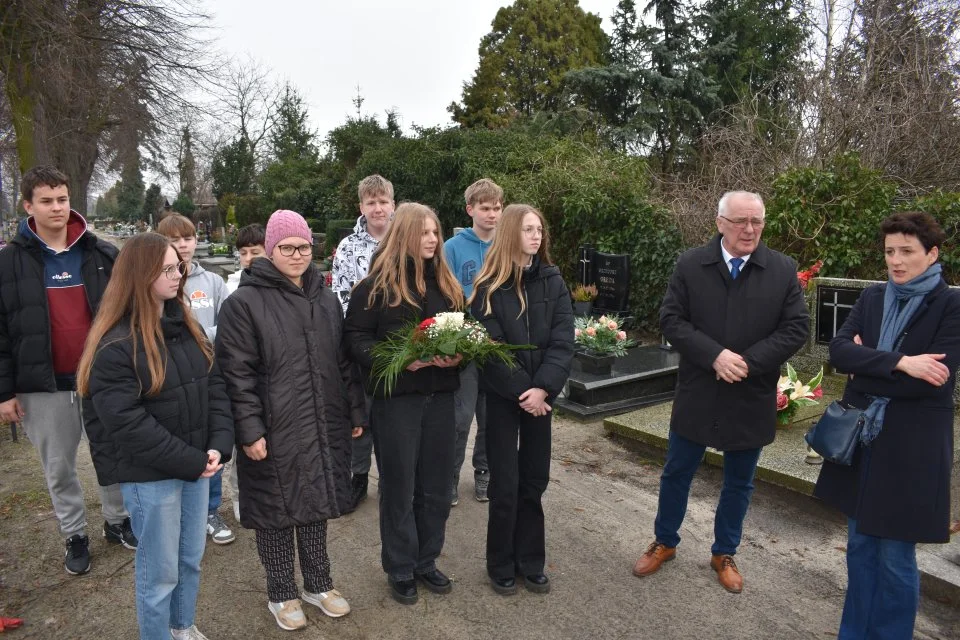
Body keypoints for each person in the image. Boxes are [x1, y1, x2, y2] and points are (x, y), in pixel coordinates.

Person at [632, 191, 808, 593]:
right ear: (719, 223)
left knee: (740, 482)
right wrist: (715, 356)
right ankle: (665, 541)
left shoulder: (782, 270)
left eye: (757, 222)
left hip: (750, 392)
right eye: (741, 221)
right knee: (677, 472)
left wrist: (748, 361)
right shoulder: (692, 264)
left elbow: (796, 327)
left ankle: (724, 552)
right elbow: (671, 319)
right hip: (700, 390)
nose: (749, 230)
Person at [76, 232, 233, 640]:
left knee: (189, 560)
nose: (178, 274)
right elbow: (128, 425)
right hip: (153, 479)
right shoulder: (116, 346)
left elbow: (214, 387)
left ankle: (182, 627)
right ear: (139, 275)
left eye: (178, 266)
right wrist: (193, 461)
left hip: (197, 467)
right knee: (159, 573)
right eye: (167, 268)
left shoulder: (187, 326)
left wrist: (218, 444)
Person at [216, 210, 365, 631]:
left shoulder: (325, 296)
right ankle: (281, 592)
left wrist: (354, 410)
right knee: (277, 510)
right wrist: (249, 431)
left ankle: (319, 584)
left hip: (321, 419)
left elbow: (342, 361)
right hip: (273, 425)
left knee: (315, 504)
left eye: (303, 246)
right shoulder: (244, 303)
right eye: (287, 247)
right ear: (270, 249)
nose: (297, 255)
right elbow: (236, 374)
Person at [814, 211, 960, 639]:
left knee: (896, 556)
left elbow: (935, 383)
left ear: (932, 254)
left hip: (911, 450)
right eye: (889, 252)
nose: (896, 261)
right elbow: (839, 352)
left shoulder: (951, 304)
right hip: (865, 442)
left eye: (907, 252)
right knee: (859, 547)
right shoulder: (874, 297)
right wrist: (901, 363)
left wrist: (867, 370)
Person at [0, 165, 134, 576]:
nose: (57, 208)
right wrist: (4, 392)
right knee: (58, 466)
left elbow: (126, 315)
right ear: (29, 206)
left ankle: (117, 521)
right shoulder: (9, 263)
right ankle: (75, 534)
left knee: (111, 453)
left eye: (62, 199)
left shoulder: (100, 253)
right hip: (43, 386)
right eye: (46, 201)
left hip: (101, 379)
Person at [343, 202, 463, 605]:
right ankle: (399, 566)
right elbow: (355, 340)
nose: (431, 239)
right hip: (397, 402)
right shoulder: (374, 288)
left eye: (435, 232)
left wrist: (460, 354)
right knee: (399, 486)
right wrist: (401, 360)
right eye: (424, 232)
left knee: (435, 487)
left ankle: (426, 560)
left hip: (441, 397)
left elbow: (463, 333)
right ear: (404, 235)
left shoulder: (446, 286)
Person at [470, 204, 574, 595]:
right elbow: (489, 346)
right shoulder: (487, 289)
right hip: (503, 399)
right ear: (512, 233)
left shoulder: (553, 281)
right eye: (529, 229)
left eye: (539, 230)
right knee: (505, 482)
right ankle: (500, 563)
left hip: (541, 399)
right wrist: (522, 390)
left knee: (533, 480)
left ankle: (531, 561)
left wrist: (543, 388)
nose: (537, 236)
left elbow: (564, 340)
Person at [156, 214, 234, 546]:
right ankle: (179, 512)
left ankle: (209, 510)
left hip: (206, 372)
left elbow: (228, 323)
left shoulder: (213, 282)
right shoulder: (160, 282)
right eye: (174, 240)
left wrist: (199, 337)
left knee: (209, 442)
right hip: (171, 378)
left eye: (187, 238)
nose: (182, 245)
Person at [333, 174, 395, 510]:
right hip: (359, 343)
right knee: (361, 413)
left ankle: (392, 478)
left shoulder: (405, 240)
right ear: (361, 207)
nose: (377, 208)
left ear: (392, 204)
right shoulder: (348, 247)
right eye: (371, 202)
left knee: (391, 415)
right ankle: (358, 477)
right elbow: (340, 293)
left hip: (398, 344)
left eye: (383, 201)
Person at [444, 178, 503, 505]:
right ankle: (450, 475)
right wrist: (463, 337)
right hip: (466, 347)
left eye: (497, 208)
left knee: (491, 418)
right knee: (461, 417)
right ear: (470, 209)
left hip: (496, 347)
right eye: (485, 208)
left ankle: (484, 472)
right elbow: (448, 298)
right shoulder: (452, 249)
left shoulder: (505, 246)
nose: (492, 214)